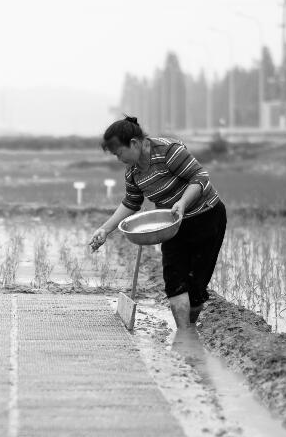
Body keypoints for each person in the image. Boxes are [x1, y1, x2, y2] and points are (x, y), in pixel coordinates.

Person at [89, 115, 226, 352]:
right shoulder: (133, 172)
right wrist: (105, 229)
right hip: (171, 225)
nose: (118, 158)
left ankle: (189, 330)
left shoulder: (168, 151)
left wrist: (182, 203)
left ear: (134, 143)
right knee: (174, 281)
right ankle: (184, 337)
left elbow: (199, 177)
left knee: (196, 287)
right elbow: (132, 202)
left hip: (206, 217)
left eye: (118, 152)